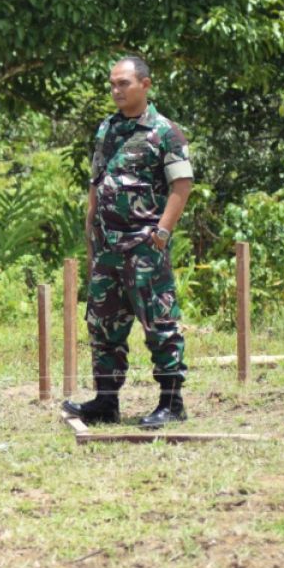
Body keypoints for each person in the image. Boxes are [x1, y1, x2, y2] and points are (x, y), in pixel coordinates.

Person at [62, 56, 194, 428]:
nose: (116, 90)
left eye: (123, 83)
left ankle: (171, 403)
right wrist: (91, 241)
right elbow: (96, 184)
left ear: (146, 84)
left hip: (144, 247)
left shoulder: (166, 132)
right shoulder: (107, 128)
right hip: (107, 248)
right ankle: (106, 402)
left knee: (160, 325)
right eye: (112, 85)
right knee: (103, 327)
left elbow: (181, 186)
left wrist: (162, 233)